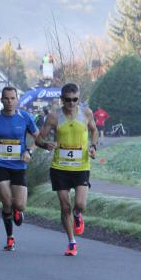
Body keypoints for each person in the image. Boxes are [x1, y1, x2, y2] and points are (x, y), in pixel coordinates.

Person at [35, 83, 98, 256]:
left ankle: (78, 215)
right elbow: (39, 139)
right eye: (68, 100)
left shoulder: (86, 113)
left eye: (75, 99)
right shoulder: (54, 117)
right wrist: (46, 144)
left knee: (80, 204)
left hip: (81, 166)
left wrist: (93, 146)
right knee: (65, 207)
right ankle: (72, 242)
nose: (71, 103)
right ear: (62, 99)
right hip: (60, 167)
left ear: (79, 98)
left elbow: (94, 131)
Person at [0, 87, 39, 251]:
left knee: (19, 205)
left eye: (13, 98)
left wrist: (29, 151)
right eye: (6, 98)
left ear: (17, 100)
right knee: (7, 201)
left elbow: (39, 138)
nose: (9, 101)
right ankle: (10, 238)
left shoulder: (25, 117)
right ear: (1, 100)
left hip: (19, 164)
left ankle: (18, 211)